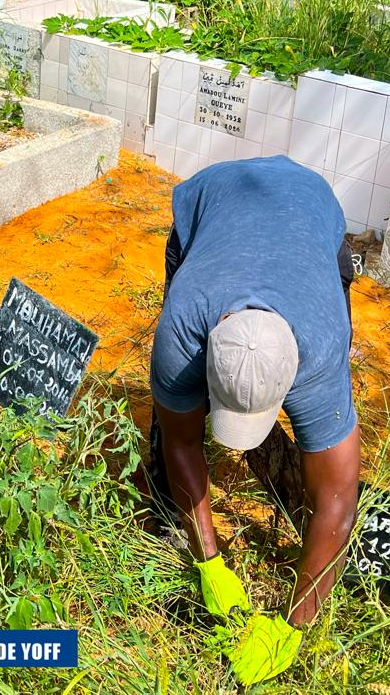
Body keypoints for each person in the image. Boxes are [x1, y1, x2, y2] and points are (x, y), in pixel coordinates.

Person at [147, 155, 360, 679]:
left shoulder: (322, 347)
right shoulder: (184, 327)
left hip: (312, 207)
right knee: (170, 415)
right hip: (217, 199)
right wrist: (209, 562)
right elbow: (181, 443)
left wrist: (294, 621)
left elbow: (338, 498)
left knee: (327, 455)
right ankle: (168, 504)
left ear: (294, 378)